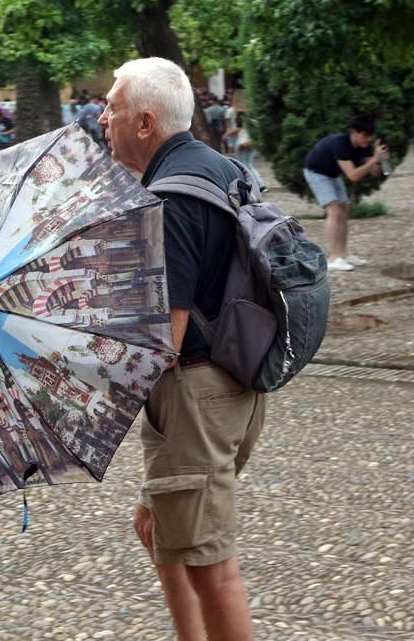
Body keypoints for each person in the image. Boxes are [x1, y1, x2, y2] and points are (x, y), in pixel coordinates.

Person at [100, 57, 264, 641]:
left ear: (145, 122)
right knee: (157, 528)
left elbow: (160, 343)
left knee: (211, 565)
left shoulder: (168, 202)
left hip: (194, 395)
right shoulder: (221, 168)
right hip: (232, 386)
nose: (102, 118)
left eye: (112, 107)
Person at [301, 115, 389, 272]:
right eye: (364, 135)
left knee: (345, 210)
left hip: (333, 174)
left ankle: (343, 254)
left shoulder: (365, 146)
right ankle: (334, 258)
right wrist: (373, 159)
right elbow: (353, 176)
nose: (367, 139)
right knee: (334, 210)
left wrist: (380, 160)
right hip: (316, 171)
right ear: (354, 132)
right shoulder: (340, 144)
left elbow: (375, 173)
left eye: (370, 136)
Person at [232, 108, 267, 192]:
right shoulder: (253, 122)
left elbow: (238, 130)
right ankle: (259, 184)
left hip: (243, 144)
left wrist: (227, 134)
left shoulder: (243, 122)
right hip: (252, 145)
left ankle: (258, 185)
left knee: (245, 165)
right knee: (250, 165)